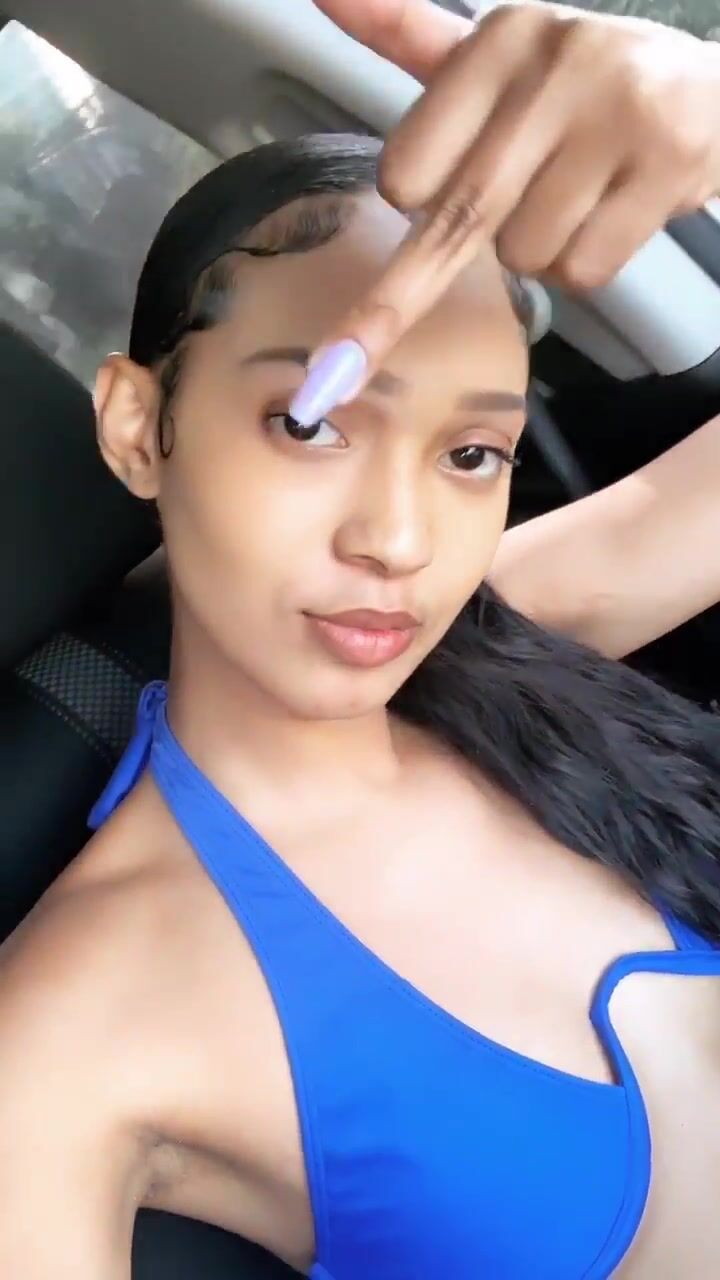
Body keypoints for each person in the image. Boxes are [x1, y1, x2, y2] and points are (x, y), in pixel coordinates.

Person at [1, 11, 720, 1280]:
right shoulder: (81, 1017)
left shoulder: (503, 637)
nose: (398, 539)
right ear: (138, 427)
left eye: (472, 453)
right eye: (309, 422)